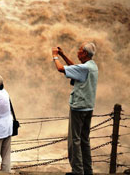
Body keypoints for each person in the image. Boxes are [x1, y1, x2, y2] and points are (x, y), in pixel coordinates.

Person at [52, 42, 98, 175]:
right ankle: (87, 170)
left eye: (79, 50)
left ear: (84, 53)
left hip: (78, 107)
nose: (77, 52)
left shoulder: (84, 68)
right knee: (84, 139)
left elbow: (61, 69)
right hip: (88, 107)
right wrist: (63, 55)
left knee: (74, 140)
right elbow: (75, 68)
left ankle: (77, 171)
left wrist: (55, 56)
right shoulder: (92, 66)